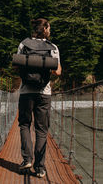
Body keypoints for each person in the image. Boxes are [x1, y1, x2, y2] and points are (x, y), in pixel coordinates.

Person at [16, 18, 62, 178]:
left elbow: (17, 64)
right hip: (44, 93)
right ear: (45, 29)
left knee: (24, 125)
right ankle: (40, 167)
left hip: (26, 92)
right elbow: (58, 72)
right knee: (41, 130)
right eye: (49, 28)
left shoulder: (23, 44)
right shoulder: (53, 47)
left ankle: (27, 159)